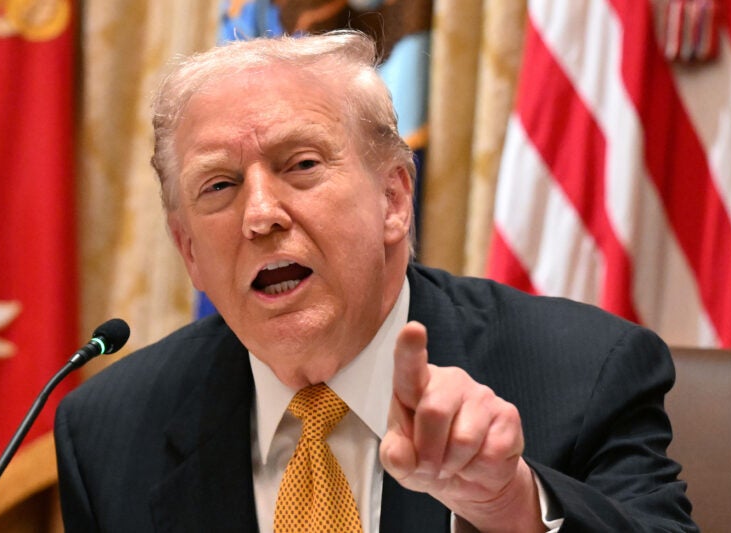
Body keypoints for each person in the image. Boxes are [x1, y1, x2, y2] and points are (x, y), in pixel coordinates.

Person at [54, 30, 696, 532]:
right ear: (188, 249)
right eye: (219, 186)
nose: (259, 216)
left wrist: (511, 506)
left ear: (393, 197)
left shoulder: (580, 371)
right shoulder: (110, 430)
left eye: (300, 164)